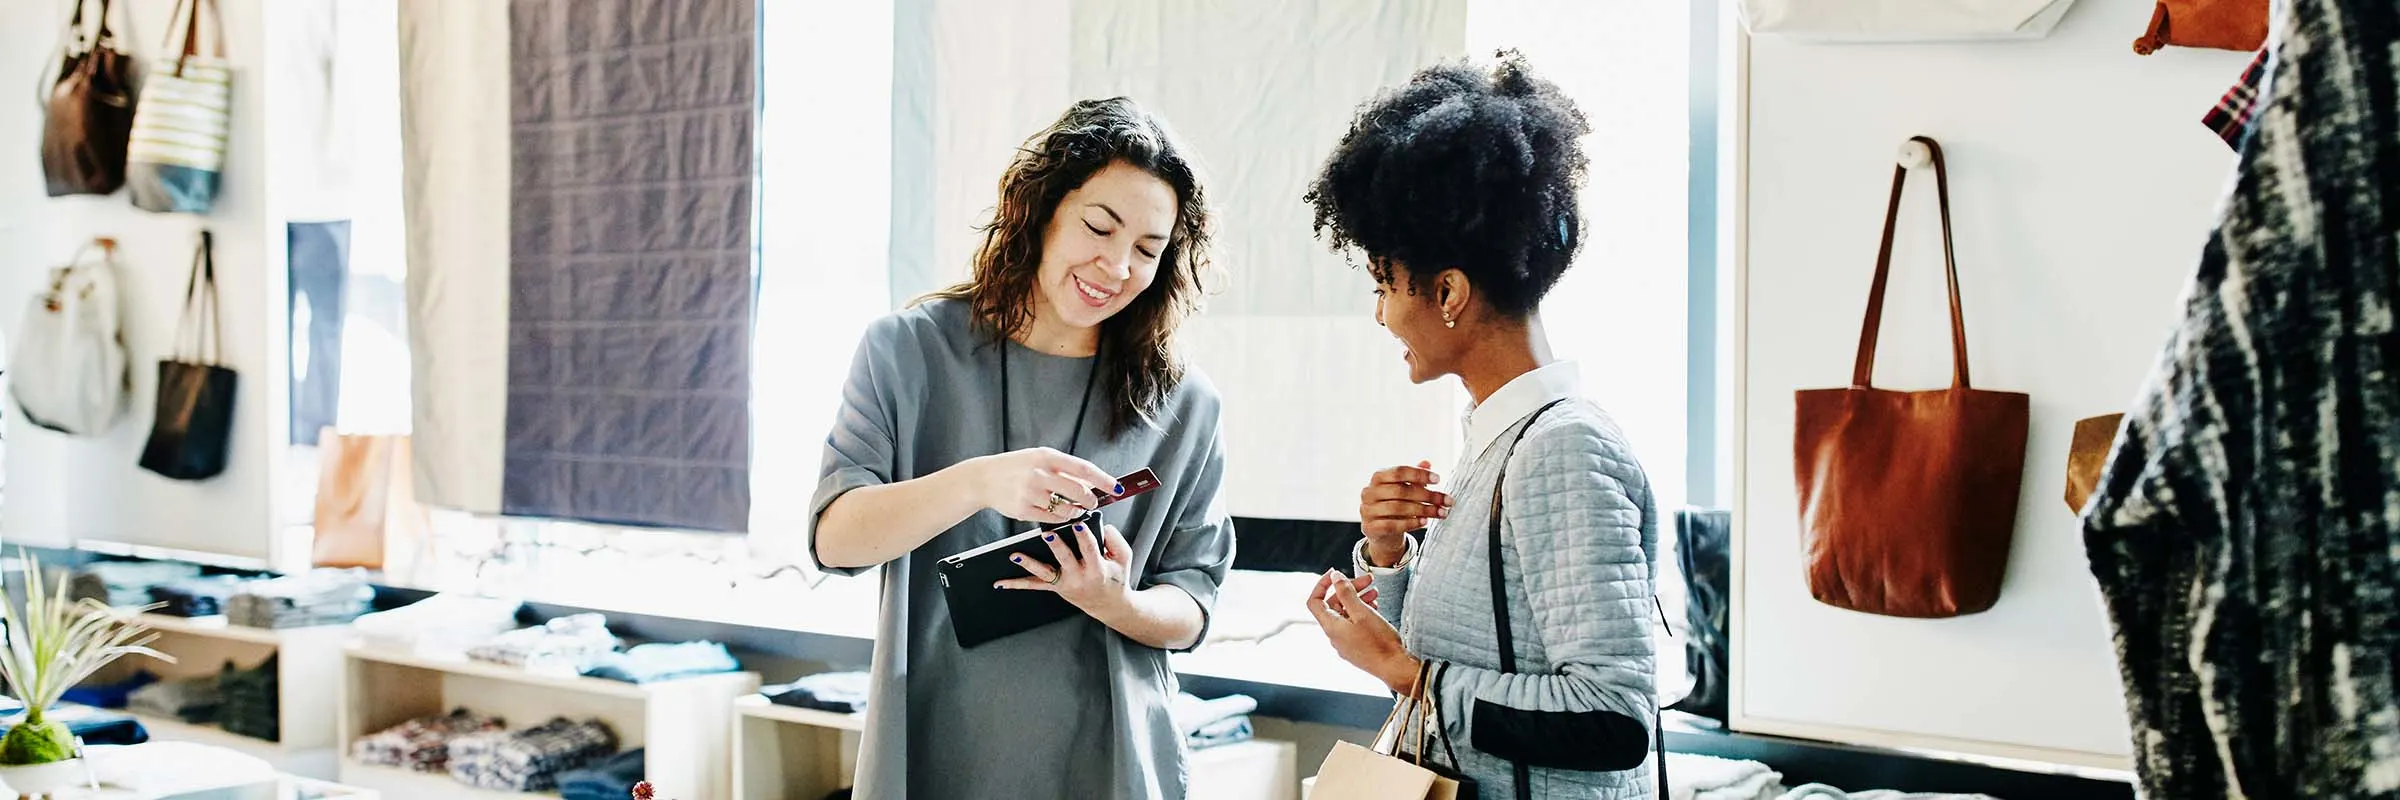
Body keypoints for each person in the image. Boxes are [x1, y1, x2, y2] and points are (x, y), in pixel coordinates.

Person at [809, 98, 1236, 799]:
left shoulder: (1186, 403)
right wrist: (977, 482)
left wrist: (1115, 602)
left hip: (1112, 760)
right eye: (1099, 227)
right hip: (935, 743)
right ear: (1038, 211)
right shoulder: (907, 351)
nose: (1118, 265)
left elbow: (1194, 600)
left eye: (1148, 250)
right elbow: (836, 539)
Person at [1301, 53, 1663, 799]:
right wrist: (1389, 556)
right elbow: (1486, 655)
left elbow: (1614, 718)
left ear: (1448, 292)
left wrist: (1400, 671)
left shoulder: (1561, 448)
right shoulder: (1500, 439)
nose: (1380, 315)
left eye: (1382, 284)